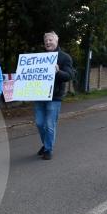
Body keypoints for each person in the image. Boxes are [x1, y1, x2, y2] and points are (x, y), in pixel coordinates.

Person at [34, 31, 74, 160]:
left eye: (50, 40)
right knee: (40, 123)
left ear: (56, 41)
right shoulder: (39, 58)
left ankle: (48, 150)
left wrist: (58, 71)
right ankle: (46, 144)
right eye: (46, 40)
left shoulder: (64, 57)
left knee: (49, 124)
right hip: (39, 95)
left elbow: (69, 76)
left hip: (54, 97)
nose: (48, 42)